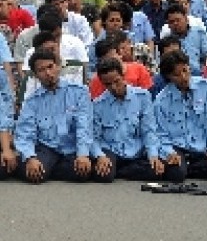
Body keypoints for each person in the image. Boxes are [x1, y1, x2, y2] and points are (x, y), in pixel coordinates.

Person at [10, 48, 92, 183]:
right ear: (35, 75)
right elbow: (24, 133)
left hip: (71, 146)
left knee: (83, 172)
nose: (48, 73)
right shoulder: (31, 102)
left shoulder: (80, 92)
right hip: (46, 147)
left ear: (58, 66)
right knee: (36, 175)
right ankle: (37, 166)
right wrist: (31, 158)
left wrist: (83, 154)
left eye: (50, 67)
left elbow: (84, 126)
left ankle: (47, 169)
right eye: (41, 70)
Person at [154, 50, 207, 181]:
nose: (183, 77)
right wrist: (169, 153)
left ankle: (188, 167)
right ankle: (185, 167)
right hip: (178, 147)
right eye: (176, 75)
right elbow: (160, 134)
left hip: (201, 147)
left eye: (184, 70)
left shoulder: (205, 87)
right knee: (177, 174)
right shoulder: (161, 101)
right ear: (169, 77)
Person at [89, 58, 165, 182]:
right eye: (108, 84)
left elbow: (149, 130)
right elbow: (94, 137)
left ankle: (119, 171)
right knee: (104, 175)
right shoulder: (98, 105)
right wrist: (100, 156)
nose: (113, 87)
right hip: (111, 150)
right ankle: (115, 170)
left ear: (123, 76)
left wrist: (153, 155)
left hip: (135, 151)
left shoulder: (142, 97)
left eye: (116, 81)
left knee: (157, 171)